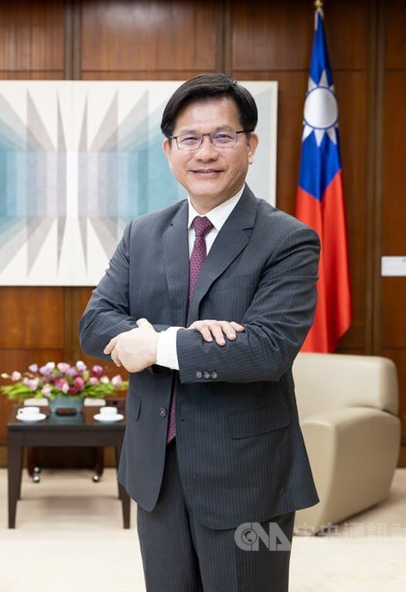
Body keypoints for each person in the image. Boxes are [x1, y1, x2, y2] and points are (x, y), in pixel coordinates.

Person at [79, 73, 320, 592]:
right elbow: (95, 324)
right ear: (169, 150)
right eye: (190, 138)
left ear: (251, 145)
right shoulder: (143, 232)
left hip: (249, 480)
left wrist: (157, 344)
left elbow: (266, 350)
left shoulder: (289, 240)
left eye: (223, 136)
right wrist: (184, 338)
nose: (205, 152)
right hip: (156, 472)